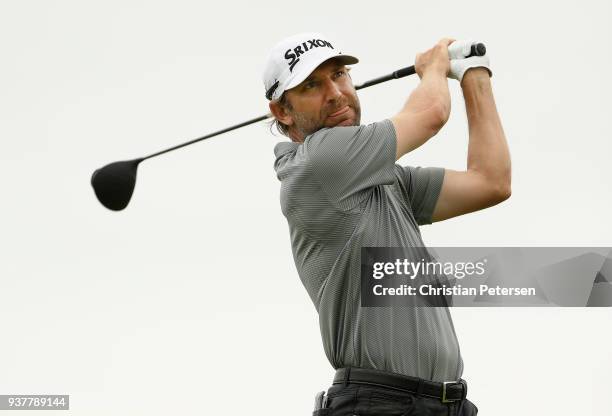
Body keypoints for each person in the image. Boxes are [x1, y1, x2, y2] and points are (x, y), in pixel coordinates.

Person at [264, 32, 511, 416]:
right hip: (380, 405)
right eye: (312, 85)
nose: (335, 93)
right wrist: (433, 68)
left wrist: (474, 74)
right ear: (282, 111)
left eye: (340, 74)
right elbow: (430, 115)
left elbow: (490, 182)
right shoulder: (319, 162)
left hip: (445, 404)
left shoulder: (384, 179)